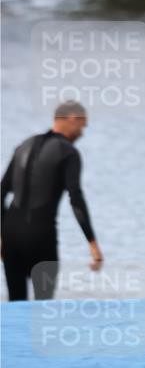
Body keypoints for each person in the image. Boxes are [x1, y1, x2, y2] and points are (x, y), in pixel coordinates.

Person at [1, 101, 103, 301]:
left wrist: (2, 235)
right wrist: (92, 243)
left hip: (11, 235)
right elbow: (76, 199)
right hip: (41, 237)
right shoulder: (68, 153)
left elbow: (1, 191)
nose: (81, 133)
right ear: (72, 119)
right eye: (82, 127)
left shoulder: (24, 145)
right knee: (42, 307)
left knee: (15, 304)